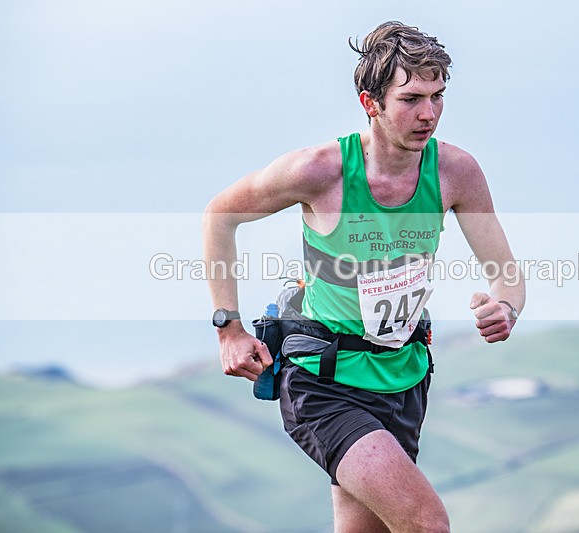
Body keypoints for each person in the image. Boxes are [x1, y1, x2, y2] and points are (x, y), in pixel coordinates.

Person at [203, 21, 525, 533]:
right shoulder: (318, 171)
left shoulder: (455, 172)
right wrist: (229, 328)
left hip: (404, 379)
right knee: (427, 523)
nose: (429, 114)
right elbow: (220, 216)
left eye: (438, 96)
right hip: (324, 381)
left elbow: (506, 276)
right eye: (411, 99)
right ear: (370, 102)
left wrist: (504, 308)